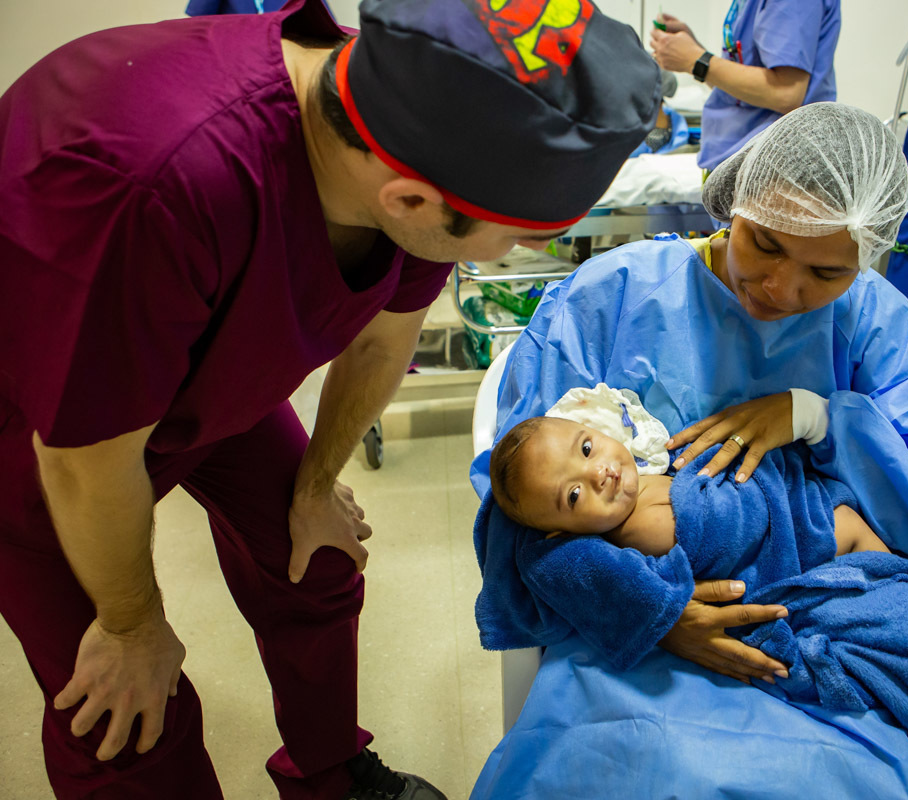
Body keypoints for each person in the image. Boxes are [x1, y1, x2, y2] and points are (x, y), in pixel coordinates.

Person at [0, 0, 660, 798]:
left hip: (205, 377)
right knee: (122, 704)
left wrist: (313, 488)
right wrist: (132, 622)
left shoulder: (409, 123)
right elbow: (82, 459)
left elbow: (384, 340)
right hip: (46, 430)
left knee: (315, 559)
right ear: (409, 204)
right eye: (519, 238)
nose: (526, 251)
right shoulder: (157, 186)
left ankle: (326, 775)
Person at [470, 102, 908, 685]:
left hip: (822, 613)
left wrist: (817, 419)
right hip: (625, 636)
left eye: (827, 273)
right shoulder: (613, 297)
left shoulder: (873, 323)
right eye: (766, 244)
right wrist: (651, 616)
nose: (782, 289)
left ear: (865, 257)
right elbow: (519, 510)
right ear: (737, 201)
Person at [488, 415, 888, 558]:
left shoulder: (640, 476)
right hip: (791, 537)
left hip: (796, 508)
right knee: (850, 528)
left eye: (587, 448)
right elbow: (728, 530)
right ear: (563, 533)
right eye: (573, 496)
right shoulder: (641, 528)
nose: (598, 474)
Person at [650, 0, 841, 171]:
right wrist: (693, 54)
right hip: (746, 164)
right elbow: (742, 90)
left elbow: (786, 93)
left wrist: (696, 60)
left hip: (772, 168)